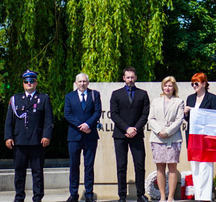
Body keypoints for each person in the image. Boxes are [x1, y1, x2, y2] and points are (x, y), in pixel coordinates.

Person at [5, 70, 54, 202]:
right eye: (26, 81)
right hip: (19, 141)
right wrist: (8, 137)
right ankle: (19, 197)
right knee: (19, 171)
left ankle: (37, 197)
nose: (29, 84)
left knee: (37, 172)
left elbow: (48, 120)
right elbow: (9, 121)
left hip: (37, 141)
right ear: (23, 83)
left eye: (32, 81)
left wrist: (46, 136)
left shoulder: (43, 98)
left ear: (36, 83)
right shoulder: (15, 99)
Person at [111, 66, 151, 202]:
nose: (130, 80)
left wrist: (135, 129)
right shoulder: (116, 94)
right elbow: (114, 115)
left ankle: (140, 194)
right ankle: (122, 195)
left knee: (139, 165)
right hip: (120, 135)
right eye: (127, 77)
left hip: (137, 135)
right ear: (123, 78)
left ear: (136, 78)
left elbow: (145, 115)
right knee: (121, 166)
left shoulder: (143, 94)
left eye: (132, 77)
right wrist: (127, 128)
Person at [64, 72, 102, 202]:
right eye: (80, 81)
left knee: (89, 166)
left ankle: (89, 194)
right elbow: (67, 114)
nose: (82, 84)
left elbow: (97, 112)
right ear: (76, 83)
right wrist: (81, 126)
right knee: (74, 165)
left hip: (90, 136)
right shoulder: (69, 96)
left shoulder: (94, 94)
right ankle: (73, 194)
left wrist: (88, 124)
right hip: (74, 136)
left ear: (88, 82)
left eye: (84, 81)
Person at [184, 72, 216, 201]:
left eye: (196, 83)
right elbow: (187, 119)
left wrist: (197, 112)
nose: (194, 86)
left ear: (204, 83)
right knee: (195, 167)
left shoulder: (213, 98)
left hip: (206, 138)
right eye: (192, 84)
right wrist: (187, 113)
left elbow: (215, 118)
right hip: (193, 138)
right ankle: (198, 195)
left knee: (206, 166)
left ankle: (205, 197)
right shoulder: (190, 98)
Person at [149, 76, 186, 202]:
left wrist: (168, 132)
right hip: (157, 137)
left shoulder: (179, 102)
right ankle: (162, 196)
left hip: (173, 138)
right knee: (160, 167)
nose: (167, 88)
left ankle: (170, 197)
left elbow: (179, 119)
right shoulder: (155, 101)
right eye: (165, 85)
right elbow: (151, 118)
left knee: (172, 167)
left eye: (170, 86)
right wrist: (160, 131)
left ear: (174, 87)